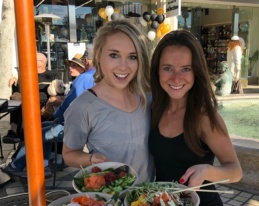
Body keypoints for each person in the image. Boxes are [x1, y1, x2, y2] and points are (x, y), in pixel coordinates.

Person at [149, 30, 243, 206]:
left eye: (186, 69)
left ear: (196, 72)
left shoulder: (204, 115)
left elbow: (235, 171)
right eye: (168, 68)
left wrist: (206, 170)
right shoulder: (154, 108)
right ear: (157, 71)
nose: (176, 77)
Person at [62, 19, 154, 183]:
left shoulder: (147, 96)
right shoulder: (83, 106)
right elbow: (68, 155)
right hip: (110, 202)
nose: (123, 66)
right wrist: (91, 159)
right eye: (114, 55)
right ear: (98, 55)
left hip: (148, 200)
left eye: (132, 57)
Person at [1, 49, 95, 178]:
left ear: (86, 61)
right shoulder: (97, 76)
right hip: (86, 123)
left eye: (75, 65)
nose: (71, 68)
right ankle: (44, 165)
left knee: (35, 134)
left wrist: (56, 113)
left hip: (76, 126)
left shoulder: (85, 77)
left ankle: (15, 166)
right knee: (42, 127)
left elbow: (71, 104)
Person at [3, 52, 58, 143]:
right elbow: (16, 92)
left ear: (41, 62)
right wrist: (15, 77)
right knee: (17, 97)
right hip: (25, 105)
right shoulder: (23, 75)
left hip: (43, 106)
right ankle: (13, 131)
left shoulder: (52, 75)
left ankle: (23, 143)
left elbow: (59, 91)